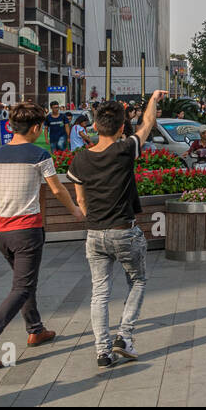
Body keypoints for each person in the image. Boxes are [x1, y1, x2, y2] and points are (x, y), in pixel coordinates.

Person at [0, 101, 83, 369]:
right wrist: (75, 211)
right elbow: (58, 190)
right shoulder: (39, 156)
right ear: (36, 128)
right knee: (22, 286)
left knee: (25, 281)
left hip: (1, 233)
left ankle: (36, 329)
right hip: (27, 232)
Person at [65, 92, 167, 368]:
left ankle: (103, 352)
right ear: (122, 128)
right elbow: (147, 124)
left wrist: (96, 222)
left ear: (95, 126)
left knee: (100, 292)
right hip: (124, 231)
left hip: (95, 234)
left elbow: (81, 200)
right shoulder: (124, 150)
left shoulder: (80, 160)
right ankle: (125, 335)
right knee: (138, 281)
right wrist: (153, 99)